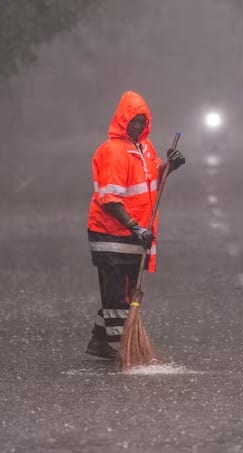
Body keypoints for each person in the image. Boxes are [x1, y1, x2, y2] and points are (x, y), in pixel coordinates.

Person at [85, 90, 186, 360]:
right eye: (134, 121)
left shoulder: (144, 148)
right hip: (111, 234)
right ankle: (124, 351)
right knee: (116, 295)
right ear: (122, 121)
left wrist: (169, 167)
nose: (138, 126)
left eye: (143, 122)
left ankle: (99, 341)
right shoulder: (113, 152)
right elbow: (110, 199)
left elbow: (152, 180)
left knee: (127, 291)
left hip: (134, 234)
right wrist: (134, 226)